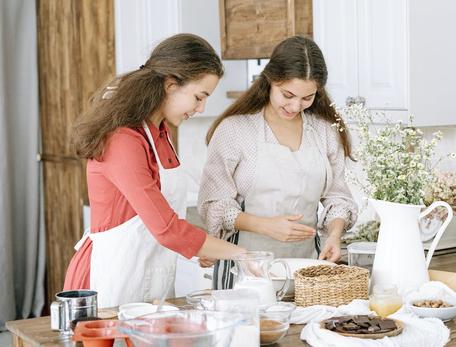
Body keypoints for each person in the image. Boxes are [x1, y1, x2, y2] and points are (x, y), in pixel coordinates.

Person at [63, 33, 246, 308]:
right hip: (110, 280)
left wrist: (200, 247)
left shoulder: (160, 132)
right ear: (171, 85)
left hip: (148, 281)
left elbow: (159, 216)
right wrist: (243, 254)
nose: (201, 108)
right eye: (199, 97)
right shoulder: (122, 139)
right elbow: (167, 229)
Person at [198, 36, 357, 289]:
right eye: (288, 94)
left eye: (307, 98)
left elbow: (338, 197)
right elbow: (214, 204)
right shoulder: (236, 130)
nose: (295, 106)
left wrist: (335, 234)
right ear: (271, 80)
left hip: (308, 271)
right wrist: (265, 226)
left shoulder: (325, 132)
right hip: (244, 271)